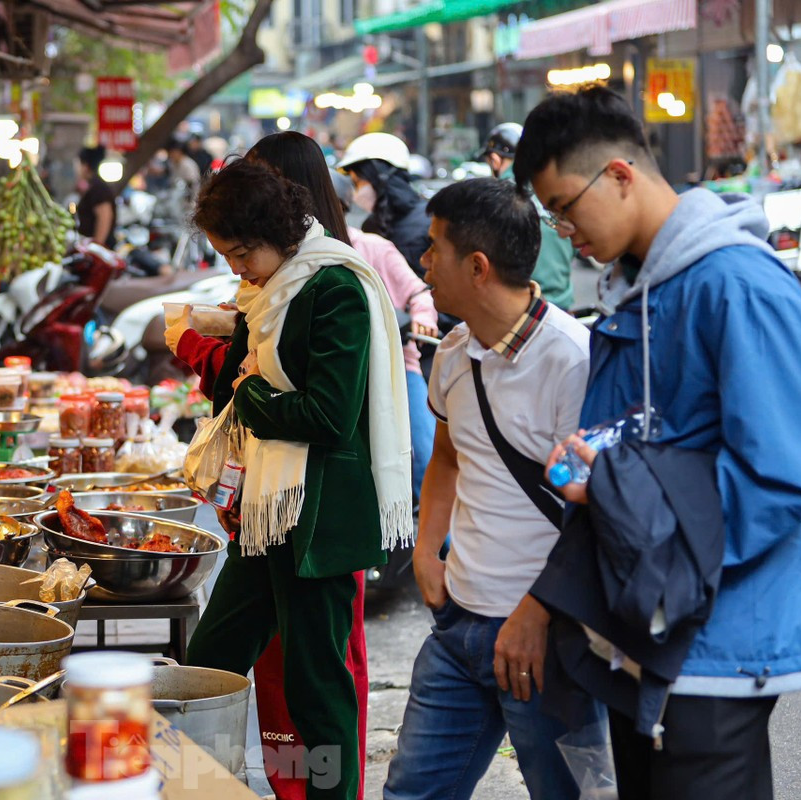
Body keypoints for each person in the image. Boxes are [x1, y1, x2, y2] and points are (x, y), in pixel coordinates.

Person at [515, 84, 801, 800]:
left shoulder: (739, 286)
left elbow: (783, 474)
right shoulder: (633, 292)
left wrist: (626, 506)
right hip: (641, 635)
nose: (563, 233)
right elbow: (630, 449)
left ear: (618, 175)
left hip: (711, 641)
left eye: (564, 208)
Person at [185, 159, 413, 800]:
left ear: (275, 233)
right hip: (268, 513)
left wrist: (251, 392)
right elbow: (237, 379)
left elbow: (328, 415)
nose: (235, 268)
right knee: (209, 658)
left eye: (240, 252)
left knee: (318, 685)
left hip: (319, 520)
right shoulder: (267, 294)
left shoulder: (335, 286)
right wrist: (237, 361)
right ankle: (186, 782)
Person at [383, 178, 602, 800]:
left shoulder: (574, 360)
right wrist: (427, 552)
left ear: (477, 267)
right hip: (458, 628)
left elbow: (597, 511)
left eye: (433, 248)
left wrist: (536, 614)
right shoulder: (452, 352)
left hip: (545, 640)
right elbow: (448, 458)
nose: (422, 262)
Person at [330, 168, 437, 501]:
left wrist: (422, 317)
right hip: (340, 376)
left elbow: (419, 294)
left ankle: (443, 547)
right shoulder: (299, 259)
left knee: (424, 454)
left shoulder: (374, 247)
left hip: (396, 367)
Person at [480, 123, 575, 310]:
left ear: (495, 160)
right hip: (565, 307)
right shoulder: (550, 188)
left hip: (523, 309)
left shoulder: (499, 197)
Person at [337, 132, 431, 276]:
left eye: (358, 183)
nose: (357, 193)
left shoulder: (429, 221)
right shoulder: (370, 226)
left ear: (379, 176)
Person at [75, 145, 117, 249]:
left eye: (78, 164)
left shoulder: (98, 189)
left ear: (85, 166)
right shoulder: (93, 186)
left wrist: (96, 247)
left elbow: (104, 218)